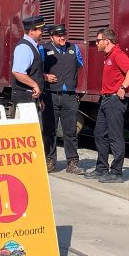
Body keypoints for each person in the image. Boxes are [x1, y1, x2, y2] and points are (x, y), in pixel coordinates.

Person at [85, 28, 129, 183]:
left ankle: (116, 172)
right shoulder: (108, 55)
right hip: (106, 100)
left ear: (106, 41)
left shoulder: (117, 54)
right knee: (99, 133)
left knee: (115, 136)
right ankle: (101, 168)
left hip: (115, 100)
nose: (96, 43)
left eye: (98, 40)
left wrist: (123, 87)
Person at [41, 23, 85, 175]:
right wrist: (44, 76)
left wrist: (70, 79)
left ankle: (72, 163)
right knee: (49, 130)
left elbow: (80, 65)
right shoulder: (43, 49)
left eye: (64, 35)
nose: (62, 37)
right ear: (51, 37)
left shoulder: (74, 49)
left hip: (69, 96)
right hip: (50, 95)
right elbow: (35, 69)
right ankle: (50, 161)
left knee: (71, 131)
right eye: (59, 35)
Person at [11, 15, 45, 111]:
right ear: (31, 32)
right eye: (40, 30)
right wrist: (34, 85)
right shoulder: (24, 47)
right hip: (25, 96)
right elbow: (18, 72)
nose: (42, 32)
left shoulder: (32, 46)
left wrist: (39, 98)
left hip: (31, 95)